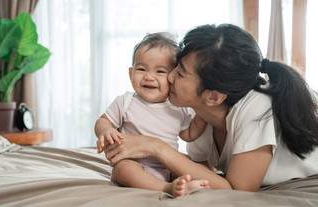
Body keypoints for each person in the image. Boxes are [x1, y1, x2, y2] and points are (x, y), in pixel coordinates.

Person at [102, 24, 318, 194]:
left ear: (213, 96)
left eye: (181, 73)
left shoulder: (257, 110)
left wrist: (156, 147)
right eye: (175, 66)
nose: (169, 76)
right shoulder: (199, 113)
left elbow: (238, 191)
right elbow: (202, 171)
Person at [95, 32, 209, 197]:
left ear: (173, 78)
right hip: (134, 163)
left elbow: (189, 134)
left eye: (160, 72)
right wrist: (105, 131)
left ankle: (184, 185)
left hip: (167, 164)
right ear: (130, 74)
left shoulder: (178, 107)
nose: (149, 77)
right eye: (141, 69)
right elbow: (103, 121)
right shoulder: (125, 101)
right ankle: (166, 188)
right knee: (122, 169)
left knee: (189, 166)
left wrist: (202, 113)